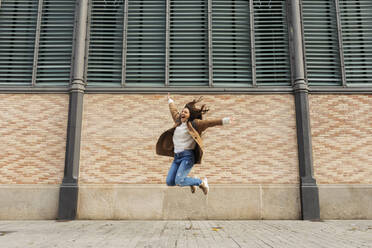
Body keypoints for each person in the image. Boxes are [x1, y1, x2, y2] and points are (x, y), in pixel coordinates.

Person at [156, 93, 232, 195]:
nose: (182, 113)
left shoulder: (195, 124)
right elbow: (173, 111)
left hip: (187, 157)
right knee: (169, 182)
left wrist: (224, 121)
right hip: (177, 157)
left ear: (190, 115)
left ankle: (201, 182)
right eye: (182, 111)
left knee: (179, 181)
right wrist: (170, 101)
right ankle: (191, 182)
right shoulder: (178, 121)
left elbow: (209, 123)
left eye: (185, 112)